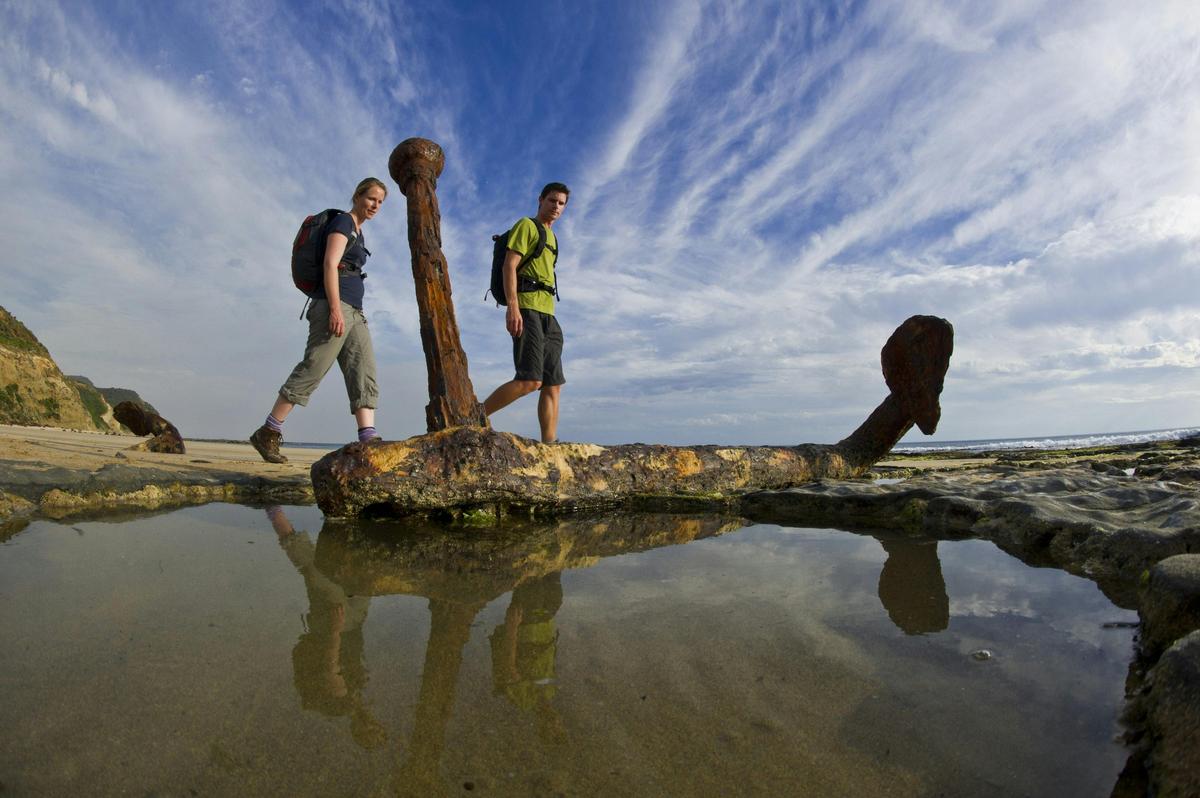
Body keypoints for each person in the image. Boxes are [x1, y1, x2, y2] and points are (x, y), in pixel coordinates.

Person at [250, 178, 387, 463]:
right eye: (371, 198)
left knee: (364, 370)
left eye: (380, 202)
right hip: (334, 307)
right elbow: (329, 264)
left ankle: (368, 438)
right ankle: (269, 430)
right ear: (358, 196)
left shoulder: (359, 232)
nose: (375, 205)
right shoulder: (343, 222)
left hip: (355, 311)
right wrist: (335, 309)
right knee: (314, 367)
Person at [482, 182, 570, 443]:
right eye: (552, 200)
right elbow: (510, 266)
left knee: (553, 384)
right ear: (541, 200)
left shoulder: (553, 238)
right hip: (527, 308)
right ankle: (474, 416)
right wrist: (513, 307)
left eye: (561, 203)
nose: (556, 207)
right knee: (530, 380)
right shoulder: (527, 225)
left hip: (549, 314)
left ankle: (549, 446)